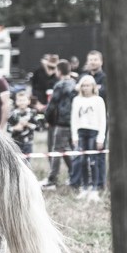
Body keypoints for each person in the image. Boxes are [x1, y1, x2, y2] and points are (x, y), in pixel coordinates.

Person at [42, 61, 77, 189]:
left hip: (61, 123)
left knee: (56, 150)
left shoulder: (60, 85)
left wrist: (46, 117)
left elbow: (52, 104)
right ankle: (75, 175)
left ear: (59, 71)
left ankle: (52, 180)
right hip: (72, 123)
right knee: (66, 150)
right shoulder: (74, 83)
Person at [71, 75, 107, 200]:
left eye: (88, 85)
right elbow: (74, 119)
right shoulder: (77, 100)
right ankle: (85, 187)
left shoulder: (98, 100)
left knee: (93, 161)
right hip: (81, 132)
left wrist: (100, 138)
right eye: (83, 85)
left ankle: (95, 188)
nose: (86, 88)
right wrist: (74, 136)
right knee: (82, 161)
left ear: (93, 86)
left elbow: (103, 120)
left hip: (94, 132)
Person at [7, 90, 44, 163]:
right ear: (16, 102)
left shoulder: (33, 113)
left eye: (24, 100)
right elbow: (8, 128)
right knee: (16, 162)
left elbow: (39, 128)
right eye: (20, 100)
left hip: (28, 143)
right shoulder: (13, 114)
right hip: (15, 143)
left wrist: (28, 125)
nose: (22, 102)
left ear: (28, 101)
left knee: (27, 163)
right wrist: (15, 128)